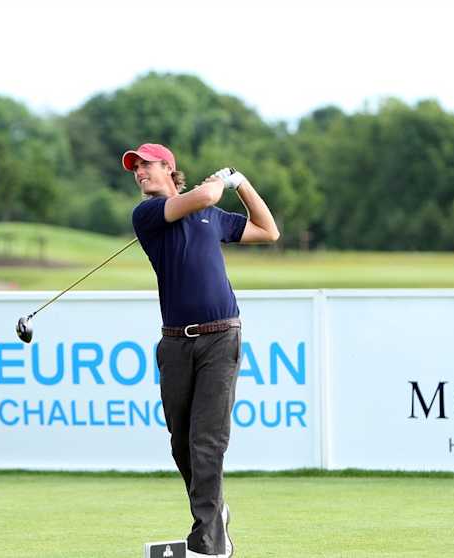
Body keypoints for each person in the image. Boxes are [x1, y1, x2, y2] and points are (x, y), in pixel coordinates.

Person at [124, 143, 279, 558]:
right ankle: (216, 515)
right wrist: (219, 181)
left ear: (168, 168)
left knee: (207, 442)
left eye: (146, 165)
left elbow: (268, 231)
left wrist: (241, 183)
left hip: (220, 336)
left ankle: (207, 543)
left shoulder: (211, 217)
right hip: (175, 342)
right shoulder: (148, 214)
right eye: (135, 168)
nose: (139, 173)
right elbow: (206, 195)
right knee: (181, 444)